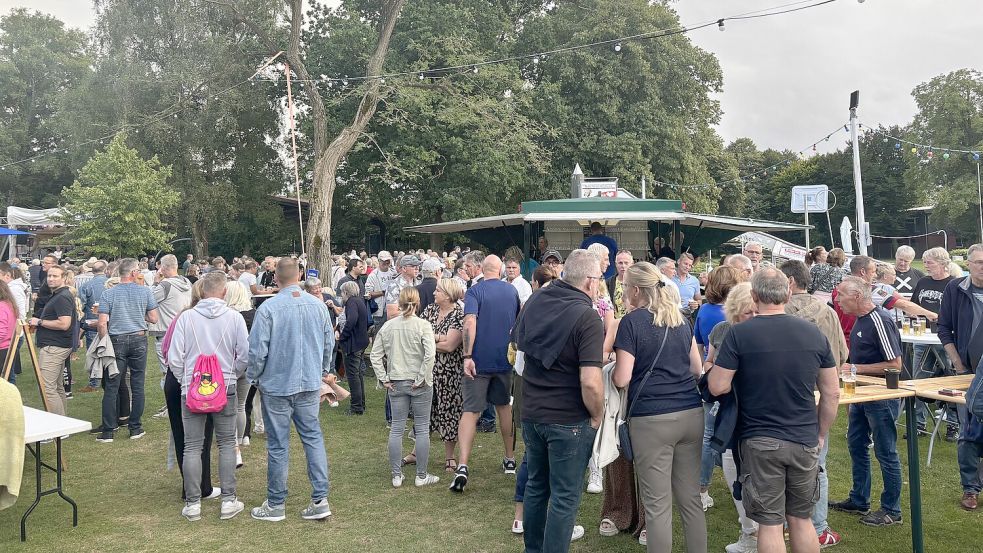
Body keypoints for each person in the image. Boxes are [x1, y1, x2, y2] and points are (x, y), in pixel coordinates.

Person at [709, 268, 840, 553]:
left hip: (760, 439)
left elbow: (718, 386)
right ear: (788, 292)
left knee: (769, 523)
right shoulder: (813, 333)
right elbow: (832, 392)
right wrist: (820, 434)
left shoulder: (739, 334)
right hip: (804, 437)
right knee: (801, 519)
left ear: (754, 296)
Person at [513, 249, 604, 552]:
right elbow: (590, 381)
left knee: (537, 486)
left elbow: (519, 348)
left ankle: (533, 549)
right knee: (565, 496)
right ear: (591, 282)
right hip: (568, 419)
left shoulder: (537, 299)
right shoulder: (588, 316)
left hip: (533, 412)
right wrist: (598, 414)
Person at [613, 262, 707, 553]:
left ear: (636, 290)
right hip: (690, 412)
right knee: (690, 500)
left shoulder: (631, 323)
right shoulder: (680, 319)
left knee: (657, 506)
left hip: (652, 418)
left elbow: (622, 377)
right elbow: (696, 367)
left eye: (626, 287)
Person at [247, 258, 334, 522]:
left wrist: (254, 377)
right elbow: (329, 342)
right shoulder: (316, 306)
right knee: (312, 438)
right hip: (304, 382)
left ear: (275, 278)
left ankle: (276, 504)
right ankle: (319, 498)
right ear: (299, 275)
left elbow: (257, 351)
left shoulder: (269, 308)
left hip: (278, 385)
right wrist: (322, 370)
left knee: (279, 445)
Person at [167, 272, 249, 522]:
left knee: (192, 445)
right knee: (226, 443)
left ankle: (193, 504)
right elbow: (244, 355)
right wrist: (229, 375)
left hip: (192, 388)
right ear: (224, 292)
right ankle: (228, 500)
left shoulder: (186, 318)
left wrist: (187, 379)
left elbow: (174, 357)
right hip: (225, 386)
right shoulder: (235, 318)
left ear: (202, 291)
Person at [779, 260, 848, 547]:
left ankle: (784, 523)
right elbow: (842, 354)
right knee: (817, 464)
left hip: (788, 394)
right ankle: (818, 526)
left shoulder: (779, 312)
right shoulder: (829, 313)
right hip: (823, 391)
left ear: (790, 283)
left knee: (779, 465)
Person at [829, 276, 905, 527]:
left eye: (841, 295)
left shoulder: (879, 320)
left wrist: (856, 368)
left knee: (886, 451)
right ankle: (859, 498)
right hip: (861, 394)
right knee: (856, 445)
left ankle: (891, 510)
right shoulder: (861, 320)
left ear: (858, 296)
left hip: (880, 396)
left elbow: (895, 365)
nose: (837, 300)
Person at [449, 255, 520, 492]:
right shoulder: (511, 292)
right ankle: (510, 458)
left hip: (478, 360)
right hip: (504, 359)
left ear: (482, 269)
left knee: (470, 411)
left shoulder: (475, 291)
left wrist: (467, 356)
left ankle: (463, 464)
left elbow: (470, 322)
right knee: (504, 408)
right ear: (500, 270)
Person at [702, 283, 759, 553]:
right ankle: (749, 533)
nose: (754, 316)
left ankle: (757, 534)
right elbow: (709, 363)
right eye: (749, 312)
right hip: (729, 410)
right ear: (735, 310)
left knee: (751, 473)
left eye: (756, 311)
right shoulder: (723, 331)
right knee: (731, 468)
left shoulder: (763, 333)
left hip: (754, 412)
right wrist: (715, 370)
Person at [371, 287, 440, 488]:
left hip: (397, 381)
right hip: (417, 382)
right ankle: (421, 475)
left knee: (397, 429)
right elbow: (430, 355)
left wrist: (383, 378)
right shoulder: (423, 326)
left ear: (400, 303)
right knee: (421, 428)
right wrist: (421, 377)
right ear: (417, 303)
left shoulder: (389, 326)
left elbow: (375, 355)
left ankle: (396, 475)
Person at [937, 243, 983, 511]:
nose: (982, 267)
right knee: (968, 431)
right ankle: (970, 488)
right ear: (968, 263)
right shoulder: (956, 288)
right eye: (978, 262)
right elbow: (944, 327)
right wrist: (957, 362)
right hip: (967, 372)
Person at [692, 265, 741, 511]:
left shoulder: (704, 312)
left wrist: (706, 370)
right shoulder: (725, 323)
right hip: (727, 386)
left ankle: (703, 488)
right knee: (715, 436)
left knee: (709, 436)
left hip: (713, 382)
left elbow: (700, 347)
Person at [96, 258, 159, 442]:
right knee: (137, 384)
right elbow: (154, 318)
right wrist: (139, 315)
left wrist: (103, 341)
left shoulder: (109, 294)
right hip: (138, 338)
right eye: (137, 270)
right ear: (132, 273)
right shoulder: (144, 291)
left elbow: (102, 322)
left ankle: (108, 430)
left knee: (112, 385)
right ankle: (135, 427)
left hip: (117, 339)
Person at [909, 247, 957, 439]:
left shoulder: (954, 284)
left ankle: (953, 424)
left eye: (930, 262)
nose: (926, 266)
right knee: (919, 379)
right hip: (922, 336)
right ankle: (919, 424)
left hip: (946, 339)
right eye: (925, 262)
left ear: (943, 263)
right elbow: (913, 305)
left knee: (950, 379)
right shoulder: (922, 281)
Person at [421, 278, 466, 472]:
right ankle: (417, 452)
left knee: (449, 412)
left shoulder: (459, 313)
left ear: (448, 295)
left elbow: (450, 346)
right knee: (424, 413)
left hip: (450, 373)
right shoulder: (430, 310)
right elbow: (418, 335)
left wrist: (430, 341)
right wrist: (439, 337)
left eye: (438, 290)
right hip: (428, 370)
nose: (433, 293)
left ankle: (449, 457)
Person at [27, 265, 75, 416]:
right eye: (49, 276)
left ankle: (58, 428)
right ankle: (63, 424)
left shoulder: (62, 297)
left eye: (55, 276)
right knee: (57, 387)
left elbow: (64, 324)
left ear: (64, 278)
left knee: (47, 388)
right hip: (55, 345)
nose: (51, 279)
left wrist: (39, 322)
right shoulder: (57, 294)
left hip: (54, 347)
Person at [151, 254, 193, 415]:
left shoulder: (164, 285)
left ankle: (171, 405)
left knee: (167, 371)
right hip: (183, 329)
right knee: (181, 368)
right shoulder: (187, 282)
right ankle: (178, 401)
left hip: (166, 333)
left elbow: (148, 300)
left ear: (163, 267)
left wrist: (155, 282)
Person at [223, 281, 255, 463]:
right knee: (241, 405)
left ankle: (233, 440)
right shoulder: (254, 315)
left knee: (231, 406)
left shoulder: (227, 315)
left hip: (230, 364)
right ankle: (241, 438)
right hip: (248, 364)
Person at [337, 281, 369, 416]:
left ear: (345, 292)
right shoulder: (359, 301)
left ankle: (356, 406)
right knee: (357, 374)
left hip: (353, 343)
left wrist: (343, 336)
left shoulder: (351, 302)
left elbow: (351, 320)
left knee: (353, 375)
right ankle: (360, 403)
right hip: (360, 342)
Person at [385, 255, 421, 320]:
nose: (417, 268)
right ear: (404, 268)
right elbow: (391, 315)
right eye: (413, 266)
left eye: (418, 266)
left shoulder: (419, 282)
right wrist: (411, 314)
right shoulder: (393, 285)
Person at [365, 251, 396, 327]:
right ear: (379, 261)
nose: (386, 262)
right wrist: (383, 292)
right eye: (383, 261)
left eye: (387, 260)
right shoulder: (373, 275)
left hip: (393, 310)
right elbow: (368, 294)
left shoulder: (394, 273)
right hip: (379, 312)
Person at [607, 250, 634, 318]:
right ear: (616, 264)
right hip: (615, 324)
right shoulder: (609, 283)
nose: (623, 266)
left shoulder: (638, 282)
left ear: (632, 264)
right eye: (620, 263)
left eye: (626, 263)